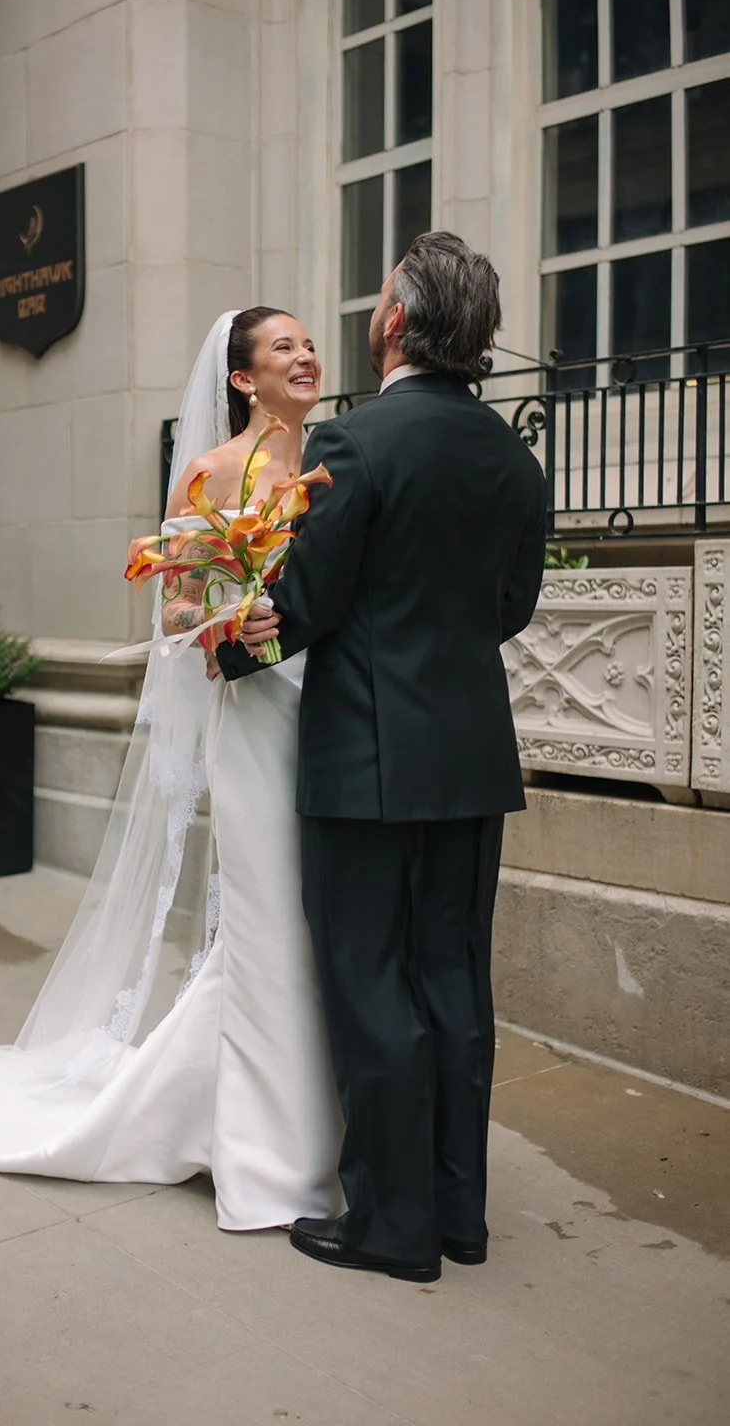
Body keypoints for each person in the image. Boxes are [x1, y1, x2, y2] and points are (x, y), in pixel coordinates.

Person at [0, 308, 343, 1234]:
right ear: (241, 378)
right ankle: (260, 1153)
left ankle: (300, 1124)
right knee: (264, 919)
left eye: (307, 344)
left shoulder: (338, 462)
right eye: (283, 348)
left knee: (320, 915)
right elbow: (174, 617)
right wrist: (233, 621)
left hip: (330, 710)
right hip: (257, 713)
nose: (305, 356)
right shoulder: (212, 474)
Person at [218, 233, 548, 1284]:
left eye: (375, 299)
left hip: (364, 757)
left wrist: (222, 644)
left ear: (397, 322)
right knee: (452, 978)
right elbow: (510, 607)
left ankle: (390, 1227)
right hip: (469, 756)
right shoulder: (512, 456)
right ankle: (457, 1213)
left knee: (369, 983)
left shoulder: (360, 445)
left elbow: (304, 606)